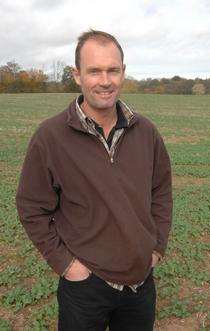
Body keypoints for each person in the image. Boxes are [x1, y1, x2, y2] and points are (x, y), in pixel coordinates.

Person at [16, 29, 173, 331]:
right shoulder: (50, 137)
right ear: (77, 75)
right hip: (85, 288)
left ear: (123, 72)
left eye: (113, 70)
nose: (105, 80)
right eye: (94, 71)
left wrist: (157, 247)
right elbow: (31, 207)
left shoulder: (146, 132)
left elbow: (161, 191)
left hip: (141, 285)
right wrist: (66, 265)